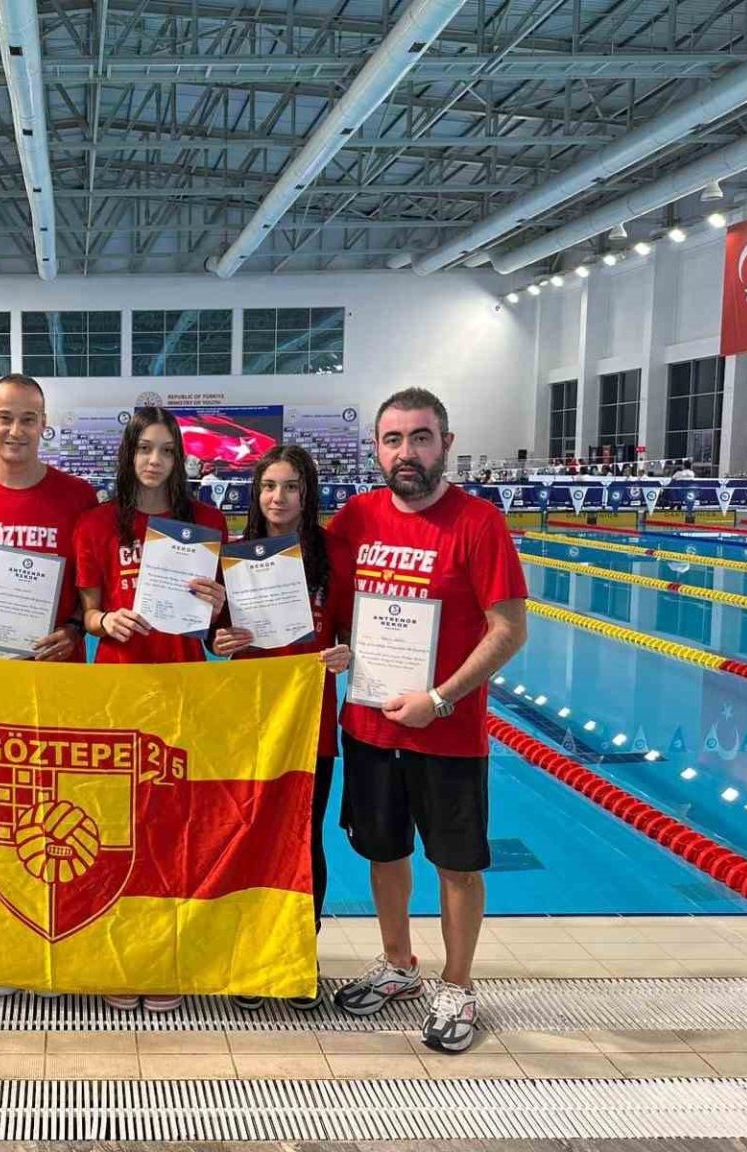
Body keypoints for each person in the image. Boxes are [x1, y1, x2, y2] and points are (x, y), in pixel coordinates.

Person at [327, 388, 527, 1054]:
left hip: (447, 731)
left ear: (445, 443)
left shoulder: (478, 522)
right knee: (383, 853)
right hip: (369, 727)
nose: (406, 451)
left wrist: (439, 698)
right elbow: (331, 610)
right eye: (393, 439)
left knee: (457, 865)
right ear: (376, 448)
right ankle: (398, 965)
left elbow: (509, 630)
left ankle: (458, 985)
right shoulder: (355, 518)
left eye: (419, 437)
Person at [73, 407, 227, 1014]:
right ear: (128, 454)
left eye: (166, 450)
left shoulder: (207, 523)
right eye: (144, 449)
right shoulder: (96, 525)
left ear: (179, 458)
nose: (155, 461)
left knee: (171, 830)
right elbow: (87, 612)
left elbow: (221, 625)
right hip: (117, 692)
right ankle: (118, 950)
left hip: (183, 692)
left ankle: (165, 953)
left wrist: (220, 603)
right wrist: (104, 620)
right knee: (116, 830)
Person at [211, 445, 351, 1013]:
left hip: (309, 720)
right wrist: (220, 640)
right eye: (269, 486)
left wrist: (346, 652)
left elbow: (352, 631)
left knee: (305, 840)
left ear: (307, 493)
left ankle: (300, 953)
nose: (279, 497)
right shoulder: (235, 556)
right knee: (250, 837)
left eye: (291, 486)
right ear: (256, 492)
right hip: (251, 719)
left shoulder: (333, 555)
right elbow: (216, 634)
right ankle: (252, 951)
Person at [0, 374, 96, 665]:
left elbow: (92, 585)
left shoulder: (80, 497)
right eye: (5, 418)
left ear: (43, 424)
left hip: (56, 670)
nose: (16, 430)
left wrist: (74, 630)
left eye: (28, 419)